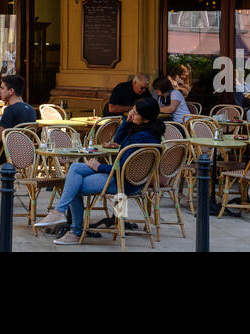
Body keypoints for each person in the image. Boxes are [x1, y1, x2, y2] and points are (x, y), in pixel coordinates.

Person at [34, 94, 166, 244]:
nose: (131, 114)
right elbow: (117, 142)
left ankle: (75, 231)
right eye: (132, 110)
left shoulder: (140, 138)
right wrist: (126, 121)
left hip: (123, 182)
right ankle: (60, 213)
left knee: (73, 186)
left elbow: (123, 168)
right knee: (76, 168)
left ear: (146, 118)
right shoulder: (149, 133)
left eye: (135, 113)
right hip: (130, 180)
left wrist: (99, 166)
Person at [0, 75, 36, 140]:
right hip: (26, 148)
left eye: (2, 88)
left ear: (11, 91)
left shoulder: (10, 110)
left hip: (8, 149)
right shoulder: (31, 109)